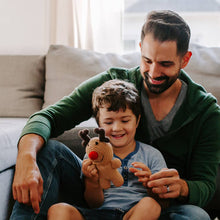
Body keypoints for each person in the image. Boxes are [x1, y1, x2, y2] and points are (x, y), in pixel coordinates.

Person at [10, 10, 220, 220]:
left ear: (185, 60)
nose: (153, 73)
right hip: (98, 201)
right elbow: (49, 117)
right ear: (139, 49)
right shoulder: (115, 86)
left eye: (165, 64)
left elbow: (206, 185)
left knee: (195, 216)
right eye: (147, 60)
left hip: (155, 208)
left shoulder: (206, 111)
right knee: (48, 150)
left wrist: (182, 187)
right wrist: (26, 160)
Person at [47, 79, 167, 220]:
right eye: (109, 122)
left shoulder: (151, 155)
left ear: (137, 121)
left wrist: (151, 186)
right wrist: (92, 181)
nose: (116, 128)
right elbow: (94, 204)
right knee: (58, 210)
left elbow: (163, 203)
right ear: (99, 125)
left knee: (150, 205)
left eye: (125, 120)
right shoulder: (93, 155)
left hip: (133, 214)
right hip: (98, 214)